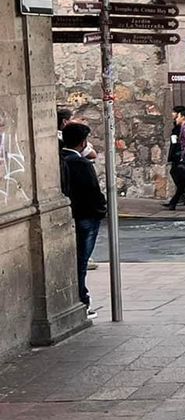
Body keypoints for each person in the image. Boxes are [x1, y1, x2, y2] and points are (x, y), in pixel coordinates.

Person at [59, 122, 106, 317]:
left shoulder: (61, 159)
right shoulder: (81, 164)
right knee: (81, 261)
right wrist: (101, 209)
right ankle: (82, 300)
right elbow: (93, 191)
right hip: (86, 216)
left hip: (73, 214)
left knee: (77, 260)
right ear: (82, 142)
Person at [162, 111, 185, 210]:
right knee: (183, 179)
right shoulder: (180, 128)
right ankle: (176, 200)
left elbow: (184, 143)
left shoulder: (183, 128)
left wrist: (180, 154)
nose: (173, 115)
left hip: (181, 156)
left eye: (176, 114)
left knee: (182, 178)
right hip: (181, 156)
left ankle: (177, 199)